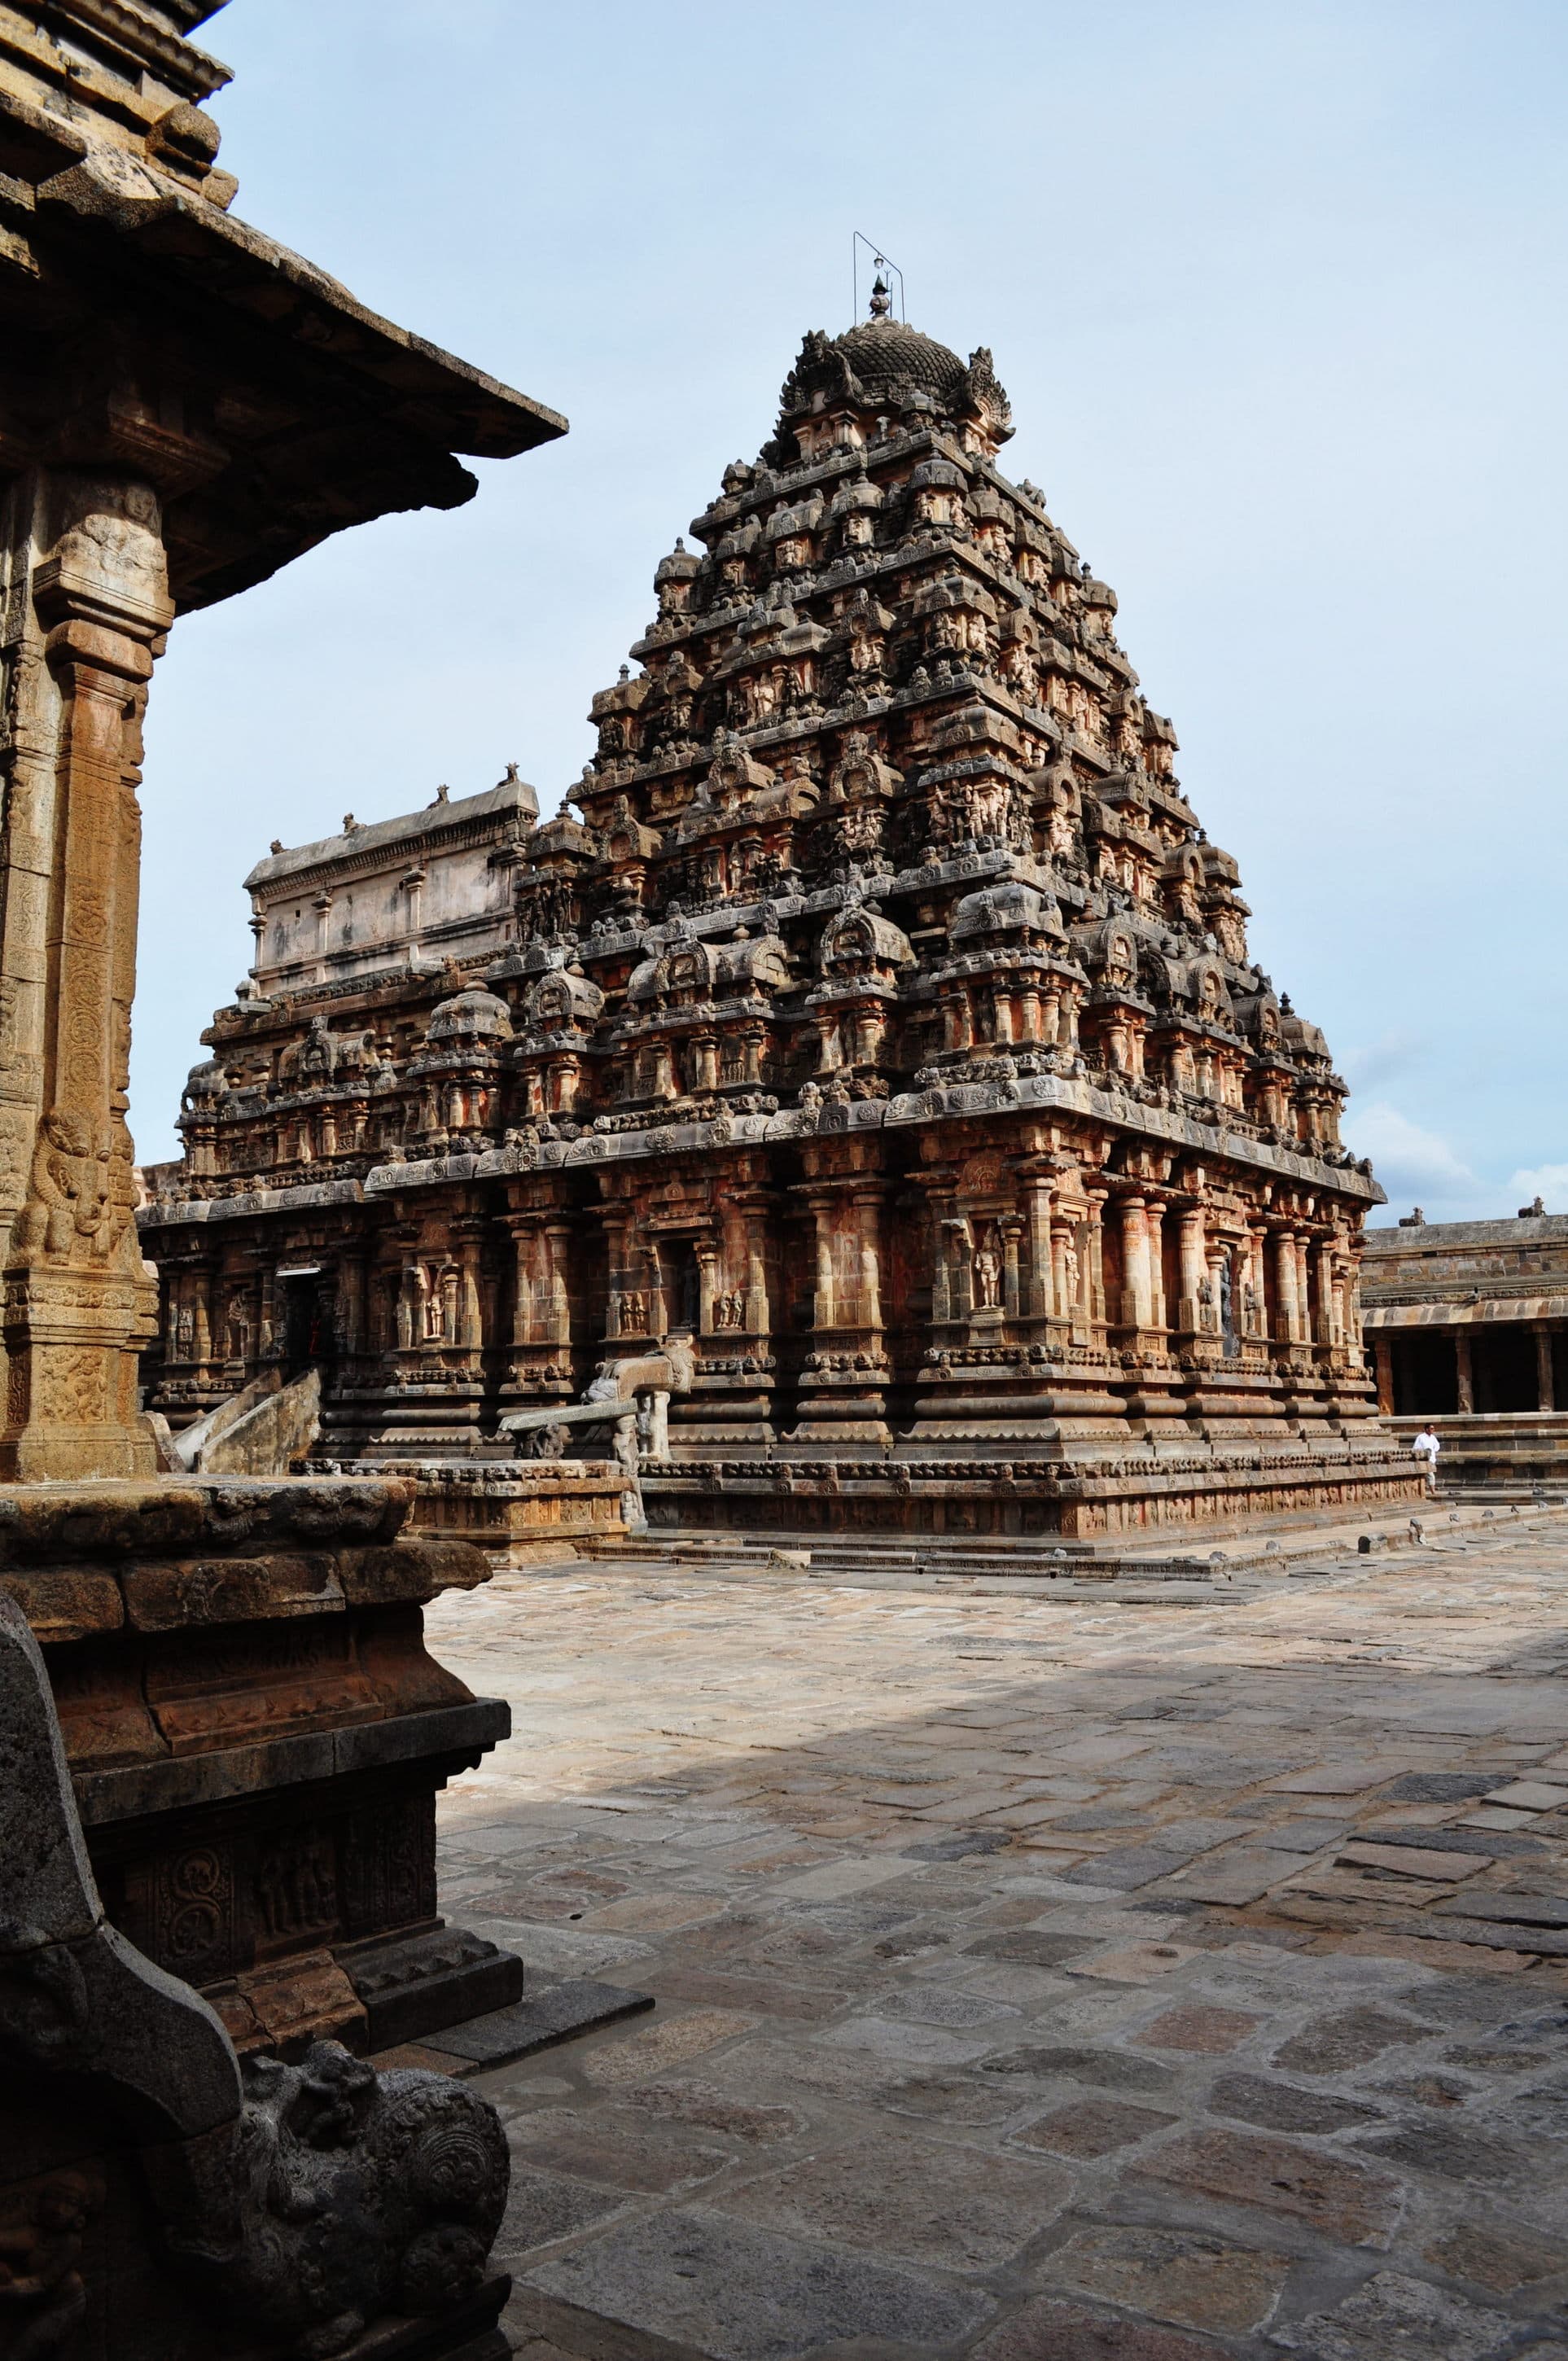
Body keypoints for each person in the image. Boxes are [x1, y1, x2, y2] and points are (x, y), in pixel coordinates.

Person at [1412, 1425, 1442, 1494]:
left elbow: (1437, 1445)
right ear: (1426, 1429)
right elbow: (1415, 1448)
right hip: (1424, 1459)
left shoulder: (1433, 1437)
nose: (1433, 1430)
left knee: (1426, 1476)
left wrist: (1433, 1450)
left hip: (1431, 1459)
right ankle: (1433, 1491)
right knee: (1430, 1475)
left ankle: (1424, 1490)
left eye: (1433, 1428)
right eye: (1431, 1428)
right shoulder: (1421, 1437)